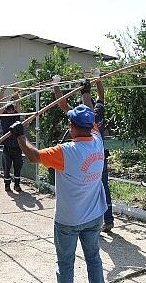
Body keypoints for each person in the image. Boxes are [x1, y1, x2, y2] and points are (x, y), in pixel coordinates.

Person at [9, 79, 107, 283]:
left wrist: (20, 135)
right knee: (94, 260)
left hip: (68, 220)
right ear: (91, 125)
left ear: (71, 127)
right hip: (95, 215)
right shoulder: (97, 141)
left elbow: (33, 156)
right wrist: (86, 93)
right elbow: (88, 112)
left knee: (65, 264)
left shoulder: (65, 152)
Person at [53, 71, 115, 233]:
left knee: (86, 188)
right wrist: (98, 79)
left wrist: (56, 85)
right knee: (103, 187)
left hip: (84, 157)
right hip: (99, 157)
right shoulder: (98, 112)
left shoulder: (82, 120)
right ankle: (107, 220)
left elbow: (62, 104)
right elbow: (101, 95)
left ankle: (89, 221)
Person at [0, 90, 24, 192]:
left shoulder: (16, 116)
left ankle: (17, 185)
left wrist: (16, 93)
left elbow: (18, 104)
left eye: (12, 108)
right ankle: (7, 185)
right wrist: (2, 92)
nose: (10, 110)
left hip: (17, 147)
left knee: (18, 167)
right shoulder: (3, 117)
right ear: (5, 110)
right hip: (7, 147)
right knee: (7, 168)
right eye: (8, 109)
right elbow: (0, 105)